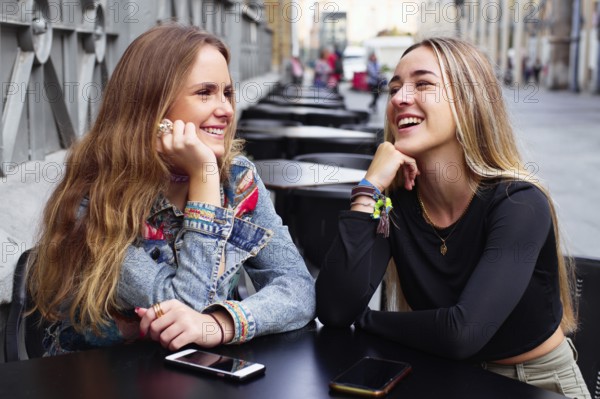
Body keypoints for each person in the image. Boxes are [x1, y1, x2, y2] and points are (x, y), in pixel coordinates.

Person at [316, 37, 590, 398]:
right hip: (443, 376)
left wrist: (364, 320)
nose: (399, 98)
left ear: (469, 103)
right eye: (394, 87)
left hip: (535, 385)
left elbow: (464, 332)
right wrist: (368, 191)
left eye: (423, 84)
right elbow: (335, 311)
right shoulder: (395, 203)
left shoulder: (520, 203)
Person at [27, 23, 315, 355]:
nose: (225, 109)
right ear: (154, 108)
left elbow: (298, 288)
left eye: (227, 93)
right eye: (205, 92)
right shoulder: (97, 198)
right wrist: (204, 177)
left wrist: (221, 324)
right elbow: (185, 309)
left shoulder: (237, 180)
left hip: (202, 375)